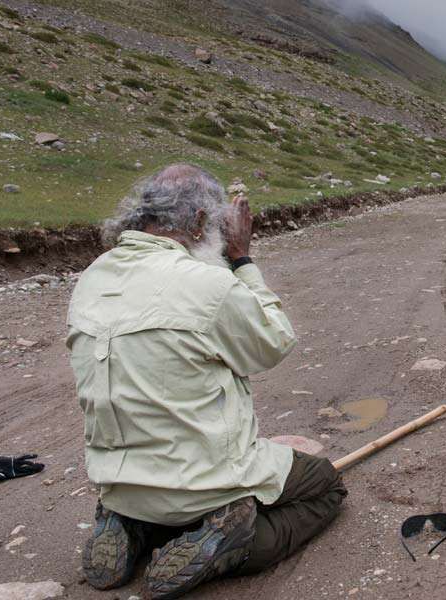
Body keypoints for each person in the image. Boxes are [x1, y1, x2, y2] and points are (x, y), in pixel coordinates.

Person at [67, 164, 347, 599]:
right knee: (325, 485)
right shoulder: (206, 283)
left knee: (155, 488)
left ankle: (127, 523)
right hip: (204, 485)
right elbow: (274, 342)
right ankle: (227, 544)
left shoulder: (92, 278)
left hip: (119, 484)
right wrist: (241, 257)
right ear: (200, 221)